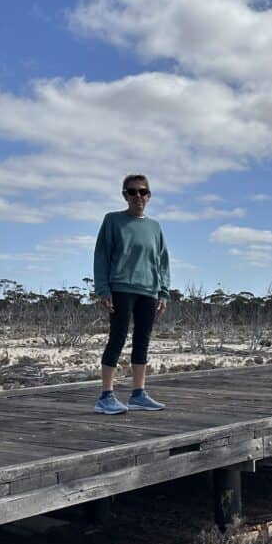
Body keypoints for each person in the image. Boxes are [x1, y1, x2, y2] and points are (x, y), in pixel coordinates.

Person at [92, 173, 170, 414]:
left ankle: (138, 394)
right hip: (121, 288)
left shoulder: (155, 227)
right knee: (117, 338)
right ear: (124, 195)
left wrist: (163, 293)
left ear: (149, 196)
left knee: (142, 341)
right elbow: (101, 256)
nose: (138, 196)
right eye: (132, 191)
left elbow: (162, 262)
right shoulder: (113, 220)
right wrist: (103, 289)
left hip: (149, 290)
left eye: (143, 192)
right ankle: (106, 396)